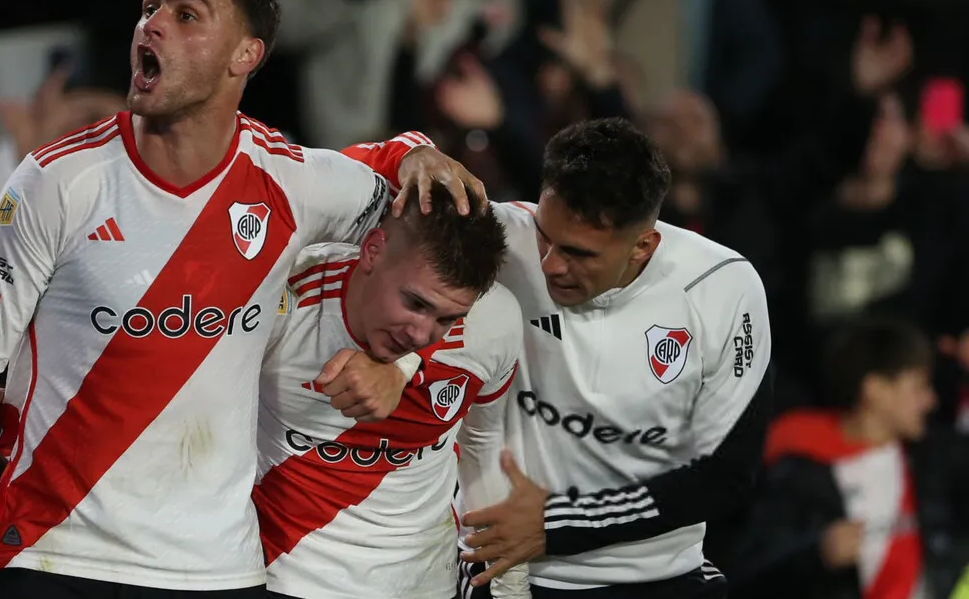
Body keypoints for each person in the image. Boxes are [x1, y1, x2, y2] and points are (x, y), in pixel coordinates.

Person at [0, 0, 483, 599]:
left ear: (246, 56)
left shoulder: (291, 183)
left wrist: (414, 154)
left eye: (187, 14)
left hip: (218, 569)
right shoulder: (57, 182)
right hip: (55, 554)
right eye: (150, 6)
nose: (152, 23)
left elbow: (451, 256)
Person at [344, 117, 773, 598]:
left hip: (659, 577)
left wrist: (554, 523)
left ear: (642, 246)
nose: (550, 265)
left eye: (580, 254)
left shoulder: (723, 287)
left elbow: (727, 474)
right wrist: (410, 153)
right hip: (504, 572)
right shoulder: (503, 236)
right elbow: (338, 187)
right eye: (545, 237)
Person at [255, 186, 529, 599]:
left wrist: (512, 588)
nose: (420, 334)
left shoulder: (496, 321)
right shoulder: (285, 294)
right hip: (284, 574)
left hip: (425, 582)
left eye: (448, 318)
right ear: (372, 250)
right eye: (414, 303)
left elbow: (484, 446)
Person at [730, 316, 966, 599]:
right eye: (919, 387)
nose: (931, 400)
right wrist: (817, 554)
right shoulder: (801, 473)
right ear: (875, 390)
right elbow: (745, 576)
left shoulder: (939, 459)